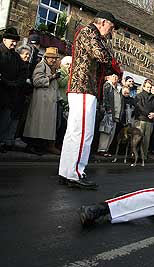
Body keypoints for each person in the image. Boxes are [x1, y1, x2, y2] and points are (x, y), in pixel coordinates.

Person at [58, 11, 117, 189]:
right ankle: (75, 174)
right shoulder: (90, 32)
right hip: (84, 88)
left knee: (75, 132)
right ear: (104, 22)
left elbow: (99, 62)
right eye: (111, 27)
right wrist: (112, 63)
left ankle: (67, 172)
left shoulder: (87, 33)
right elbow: (102, 56)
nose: (111, 32)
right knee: (83, 133)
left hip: (82, 88)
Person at [23, 47, 61, 155]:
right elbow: (37, 81)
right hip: (41, 100)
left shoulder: (51, 67)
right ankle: (33, 146)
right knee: (38, 124)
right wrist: (52, 77)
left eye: (55, 58)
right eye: (51, 58)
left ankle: (40, 146)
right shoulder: (41, 65)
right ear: (46, 57)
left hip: (49, 100)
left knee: (44, 125)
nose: (53, 60)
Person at [0, 27, 25, 153]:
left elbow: (23, 72)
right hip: (1, 90)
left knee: (5, 121)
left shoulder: (16, 56)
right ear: (4, 39)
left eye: (16, 41)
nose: (14, 43)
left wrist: (15, 83)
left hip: (10, 94)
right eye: (12, 40)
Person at [133, 79, 154, 160]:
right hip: (140, 120)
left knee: (146, 140)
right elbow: (139, 106)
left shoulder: (153, 98)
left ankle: (143, 156)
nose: (149, 88)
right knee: (137, 139)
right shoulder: (139, 96)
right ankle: (134, 155)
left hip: (150, 122)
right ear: (143, 87)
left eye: (150, 87)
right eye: (147, 87)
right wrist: (148, 114)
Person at [97, 73, 120, 157]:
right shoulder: (107, 85)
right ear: (108, 77)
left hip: (115, 114)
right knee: (106, 131)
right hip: (109, 112)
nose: (115, 78)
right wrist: (107, 108)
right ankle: (102, 149)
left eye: (117, 77)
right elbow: (105, 98)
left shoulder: (116, 88)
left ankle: (106, 149)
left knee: (111, 132)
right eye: (113, 76)